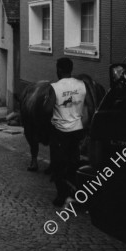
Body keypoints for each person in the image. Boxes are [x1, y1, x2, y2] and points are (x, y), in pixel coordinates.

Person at [50, 57, 87, 206]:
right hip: (77, 129)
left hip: (60, 131)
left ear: (59, 69)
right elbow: (90, 107)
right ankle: (74, 192)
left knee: (59, 163)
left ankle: (61, 196)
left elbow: (47, 108)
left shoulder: (55, 87)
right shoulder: (82, 84)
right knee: (73, 161)